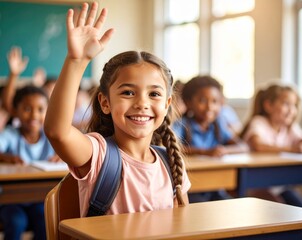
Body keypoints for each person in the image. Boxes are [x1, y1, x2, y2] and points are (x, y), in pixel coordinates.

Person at [44, 2, 191, 217]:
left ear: (167, 104)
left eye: (154, 94)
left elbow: (183, 225)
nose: (142, 103)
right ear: (105, 102)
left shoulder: (171, 163)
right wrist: (76, 61)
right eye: (128, 93)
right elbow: (58, 132)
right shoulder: (98, 155)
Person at [172, 75, 248, 203]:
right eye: (202, 101)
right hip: (191, 188)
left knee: (232, 205)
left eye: (215, 101)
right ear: (188, 102)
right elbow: (174, 147)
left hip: (216, 187)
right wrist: (204, 152)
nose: (209, 107)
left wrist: (224, 150)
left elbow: (243, 146)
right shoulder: (182, 125)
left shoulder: (218, 125)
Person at [0, 85, 60, 240]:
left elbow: (69, 149)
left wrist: (63, 155)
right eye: (27, 109)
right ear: (15, 111)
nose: (34, 115)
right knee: (16, 221)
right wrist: (7, 157)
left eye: (40, 109)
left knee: (45, 220)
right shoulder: (11, 134)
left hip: (40, 198)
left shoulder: (50, 135)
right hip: (11, 200)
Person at [240, 83, 302, 207]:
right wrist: (292, 149)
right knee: (281, 210)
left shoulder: (290, 127)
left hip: (280, 185)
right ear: (268, 106)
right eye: (286, 104)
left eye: (294, 105)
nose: (291, 110)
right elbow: (258, 145)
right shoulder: (259, 122)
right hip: (255, 185)